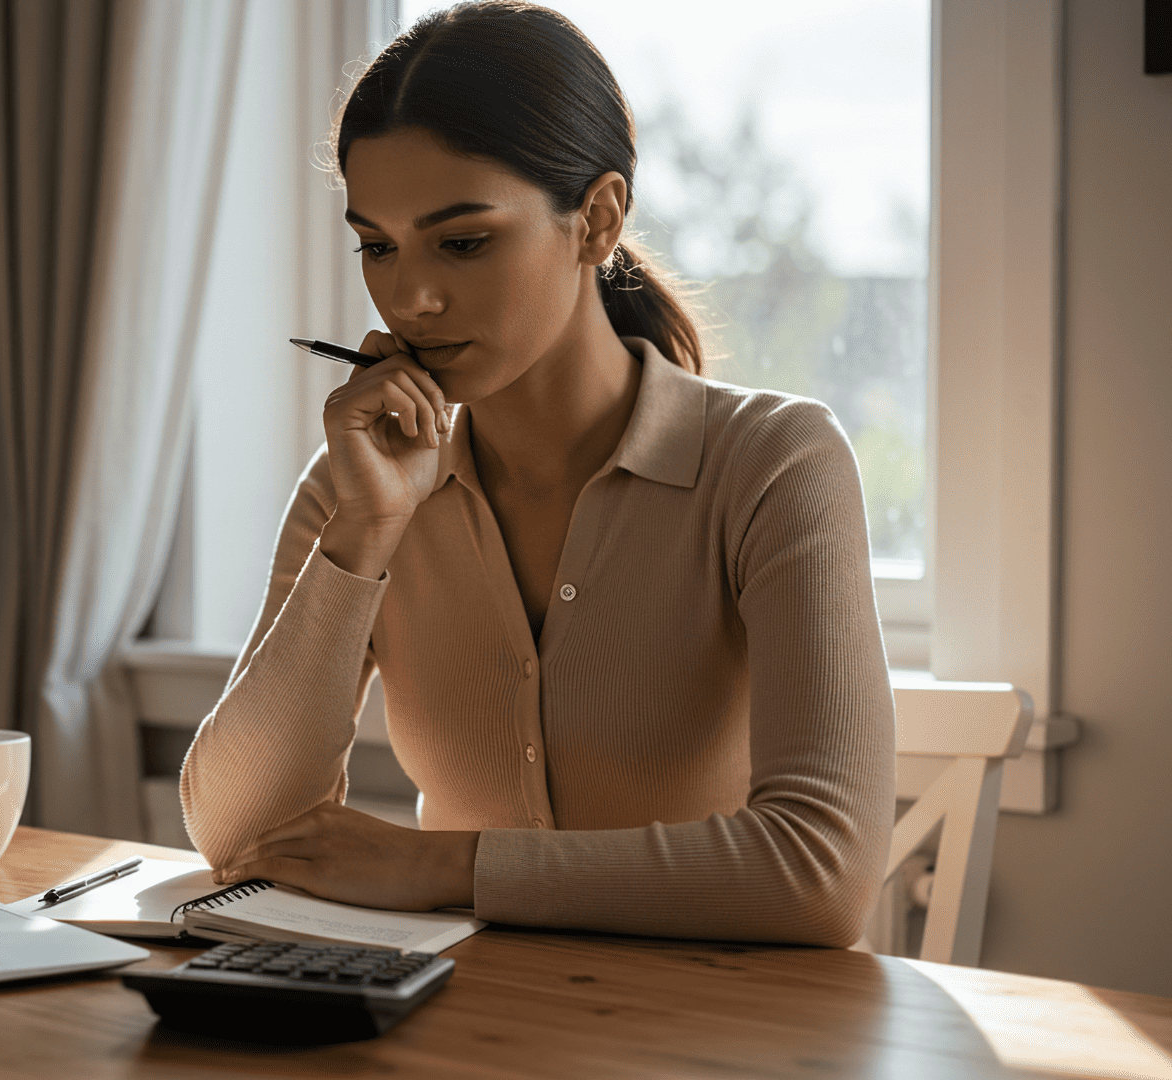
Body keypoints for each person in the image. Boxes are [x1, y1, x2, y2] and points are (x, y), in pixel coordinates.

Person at [178, 0, 894, 948]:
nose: (411, 297)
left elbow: (821, 877)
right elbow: (240, 836)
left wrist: (441, 866)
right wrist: (361, 537)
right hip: (460, 1022)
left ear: (596, 220)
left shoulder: (776, 465)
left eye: (463, 241)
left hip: (722, 1037)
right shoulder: (359, 487)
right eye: (378, 246)